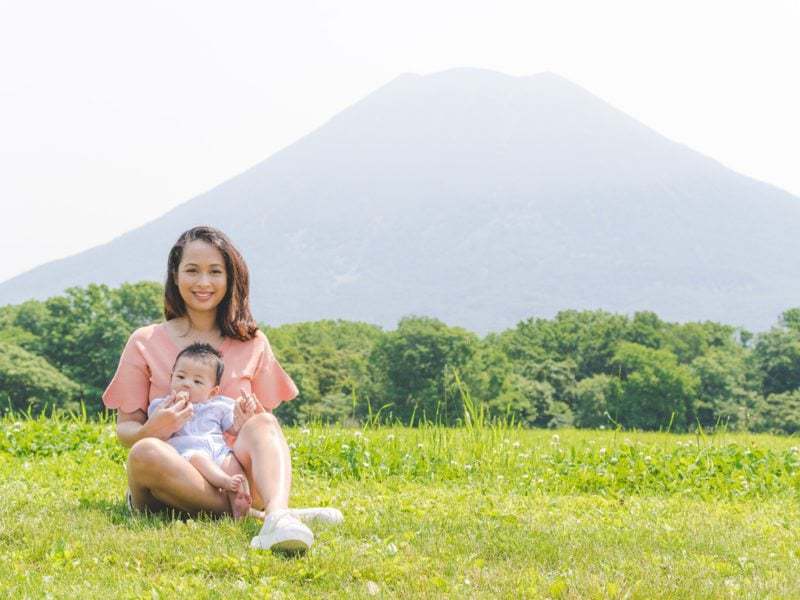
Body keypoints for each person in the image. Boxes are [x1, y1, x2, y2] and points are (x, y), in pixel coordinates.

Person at [102, 225, 342, 553]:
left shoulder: (252, 342)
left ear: (231, 278)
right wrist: (151, 429)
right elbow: (125, 429)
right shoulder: (144, 341)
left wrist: (246, 422)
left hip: (235, 480)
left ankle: (275, 514)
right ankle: (271, 515)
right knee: (144, 452)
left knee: (265, 424)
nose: (203, 282)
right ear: (175, 276)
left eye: (215, 272)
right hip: (168, 481)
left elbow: (262, 433)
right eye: (192, 271)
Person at [147, 342, 253, 520]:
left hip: (217, 450)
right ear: (171, 378)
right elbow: (157, 430)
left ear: (213, 391)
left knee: (232, 464)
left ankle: (239, 504)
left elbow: (234, 428)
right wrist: (169, 412)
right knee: (199, 458)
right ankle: (225, 483)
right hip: (187, 454)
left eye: (197, 381)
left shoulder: (218, 405)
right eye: (180, 377)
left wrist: (242, 413)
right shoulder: (162, 405)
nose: (186, 384)